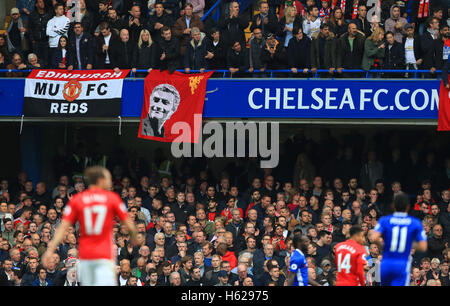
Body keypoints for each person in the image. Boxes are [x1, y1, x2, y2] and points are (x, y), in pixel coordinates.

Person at [41, 166, 138, 286]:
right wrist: (134, 236)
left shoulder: (77, 199)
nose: (110, 181)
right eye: (108, 178)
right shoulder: (112, 198)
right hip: (105, 255)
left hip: (86, 256)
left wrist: (49, 250)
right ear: (101, 180)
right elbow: (129, 222)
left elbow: (63, 227)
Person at [370, 193, 428, 286]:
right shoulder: (415, 222)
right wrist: (407, 243)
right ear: (408, 207)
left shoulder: (384, 220)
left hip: (386, 263)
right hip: (402, 264)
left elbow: (373, 237)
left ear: (393, 206)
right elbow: (423, 246)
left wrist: (384, 245)